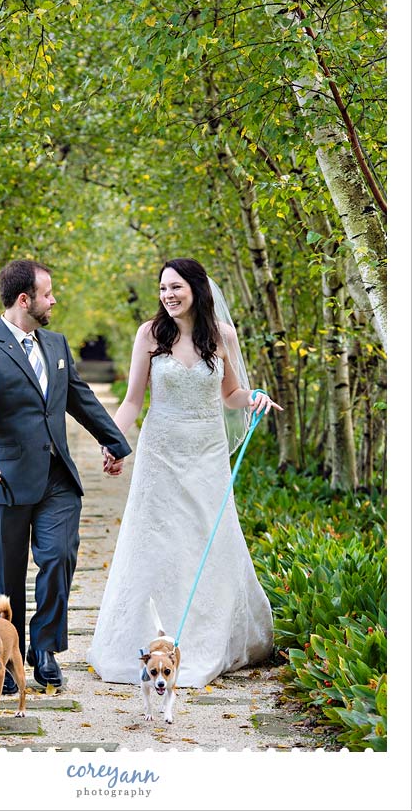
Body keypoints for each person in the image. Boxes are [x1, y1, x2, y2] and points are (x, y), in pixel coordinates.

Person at [87, 258, 282, 688]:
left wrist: (256, 397)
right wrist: (113, 442)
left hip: (208, 453)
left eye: (175, 287)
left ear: (195, 287)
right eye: (162, 289)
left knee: (206, 539)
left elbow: (231, 394)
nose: (168, 296)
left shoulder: (223, 335)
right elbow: (133, 401)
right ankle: (147, 642)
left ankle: (206, 639)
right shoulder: (150, 334)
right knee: (156, 540)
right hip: (161, 453)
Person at [0, 259, 131, 693]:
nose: (54, 300)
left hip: (57, 478)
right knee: (5, 577)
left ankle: (45, 650)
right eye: (47, 293)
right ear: (24, 299)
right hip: (3, 479)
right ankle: (2, 658)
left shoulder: (55, 343)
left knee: (57, 559)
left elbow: (79, 397)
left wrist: (114, 442)